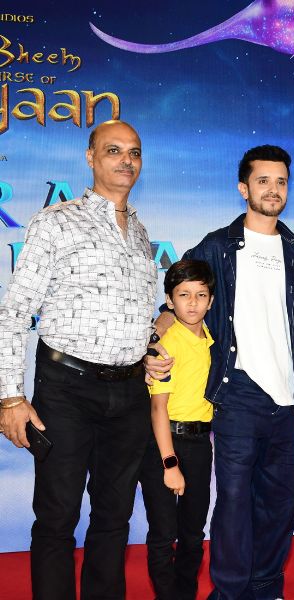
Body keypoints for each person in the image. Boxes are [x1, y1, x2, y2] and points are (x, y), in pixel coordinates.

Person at [145, 144, 294, 600]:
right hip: (237, 392)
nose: (273, 189)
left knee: (280, 504)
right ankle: (230, 592)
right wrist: (153, 345)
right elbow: (177, 299)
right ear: (244, 188)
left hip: (286, 399)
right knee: (235, 504)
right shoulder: (216, 246)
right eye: (263, 181)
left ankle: (267, 588)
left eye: (281, 181)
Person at [0, 120, 157, 599]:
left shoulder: (140, 232)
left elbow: (132, 314)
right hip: (66, 390)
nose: (126, 160)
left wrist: (150, 349)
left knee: (114, 517)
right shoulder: (55, 222)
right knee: (57, 516)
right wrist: (10, 397)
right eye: (113, 150)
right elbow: (14, 311)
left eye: (134, 152)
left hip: (129, 395)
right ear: (90, 157)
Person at [140, 259, 216, 600]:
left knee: (193, 533)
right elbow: (158, 407)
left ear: (210, 301)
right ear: (169, 301)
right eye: (183, 295)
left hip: (200, 444)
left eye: (201, 295)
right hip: (164, 444)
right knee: (163, 533)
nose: (193, 303)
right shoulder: (166, 344)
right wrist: (169, 463)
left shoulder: (211, 339)